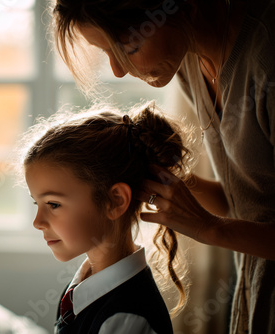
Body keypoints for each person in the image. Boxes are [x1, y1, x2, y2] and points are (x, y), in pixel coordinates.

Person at [51, 0, 275, 333]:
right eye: (107, 53)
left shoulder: (266, 61)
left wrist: (210, 229)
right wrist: (176, 183)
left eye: (130, 46)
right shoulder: (189, 61)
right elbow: (248, 200)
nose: (118, 69)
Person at [18, 102, 190, 333]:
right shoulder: (81, 288)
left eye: (53, 204)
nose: (37, 222)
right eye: (36, 203)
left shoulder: (125, 320)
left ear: (115, 201)